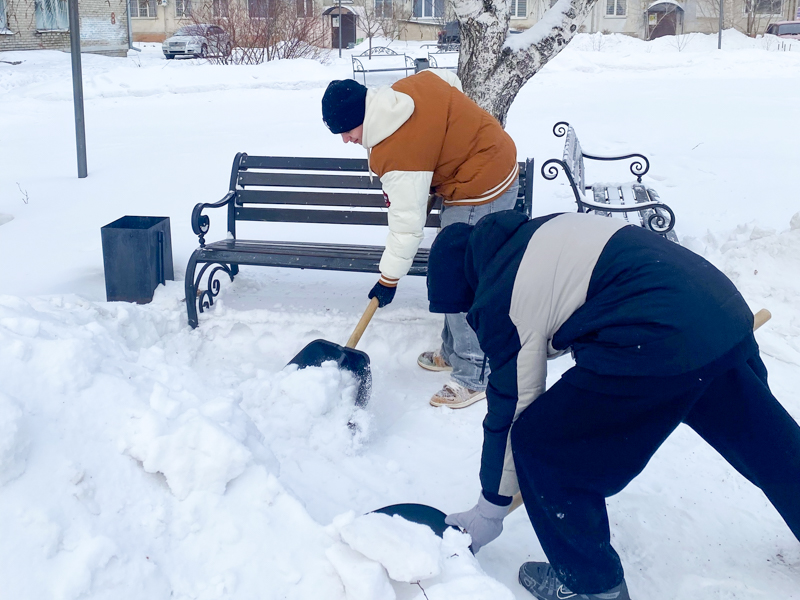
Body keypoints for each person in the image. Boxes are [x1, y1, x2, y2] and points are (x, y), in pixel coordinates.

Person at [428, 210, 800, 600]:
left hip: (658, 334)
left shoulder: (501, 292)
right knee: (766, 442)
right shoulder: (541, 231)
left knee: (543, 447)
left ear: (468, 282)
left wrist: (491, 507)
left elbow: (513, 402)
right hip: (718, 311)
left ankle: (591, 586)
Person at [321, 71, 519, 409]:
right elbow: (449, 80)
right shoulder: (405, 91)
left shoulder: (397, 153)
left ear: (362, 117)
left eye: (347, 131)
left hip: (482, 183)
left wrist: (388, 280)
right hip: (488, 158)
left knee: (458, 277)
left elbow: (407, 224)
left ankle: (474, 373)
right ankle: (455, 351)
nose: (346, 139)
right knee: (450, 270)